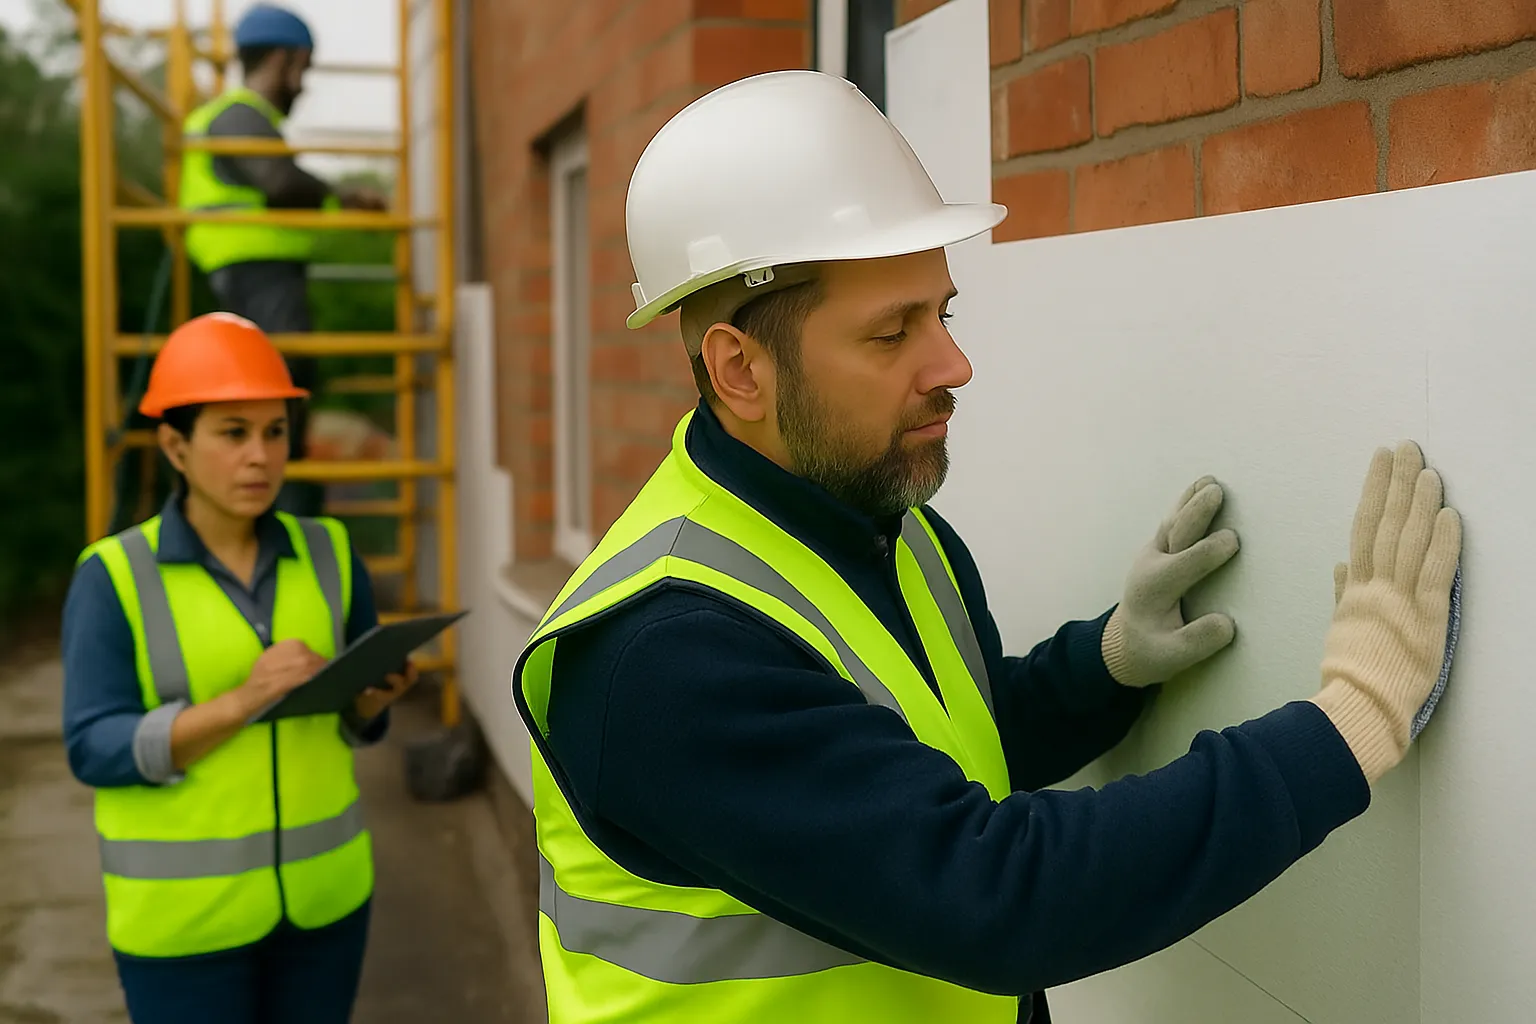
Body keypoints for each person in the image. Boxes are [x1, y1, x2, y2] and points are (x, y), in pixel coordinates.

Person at [512, 71, 1464, 1024]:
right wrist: (1356, 718)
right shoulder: (664, 652)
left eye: (944, 313)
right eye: (892, 334)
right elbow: (997, 894)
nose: (954, 365)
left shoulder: (880, 521)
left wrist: (1106, 664)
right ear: (739, 369)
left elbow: (929, 749)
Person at [61, 313, 419, 1023]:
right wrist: (239, 703)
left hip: (325, 908)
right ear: (175, 445)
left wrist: (371, 701)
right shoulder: (113, 577)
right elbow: (93, 747)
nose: (260, 456)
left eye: (275, 431)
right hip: (184, 929)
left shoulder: (330, 552)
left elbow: (351, 724)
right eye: (233, 433)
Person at [178, 3, 387, 517]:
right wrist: (343, 194)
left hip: (252, 275)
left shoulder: (238, 119)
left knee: (278, 395)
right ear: (287, 60)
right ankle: (286, 518)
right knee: (281, 396)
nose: (303, 85)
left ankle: (282, 512)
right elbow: (281, 183)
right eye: (303, 70)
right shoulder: (237, 116)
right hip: (257, 275)